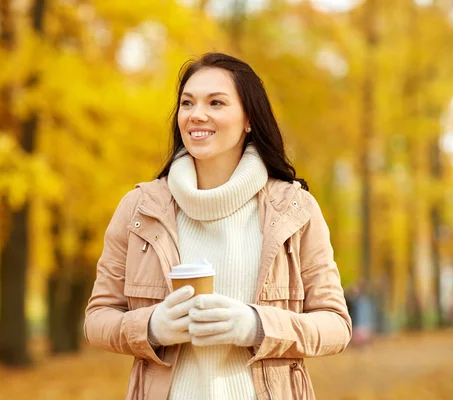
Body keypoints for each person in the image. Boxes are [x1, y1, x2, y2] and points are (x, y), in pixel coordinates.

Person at [84, 52, 352, 400]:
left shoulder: (294, 209)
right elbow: (97, 318)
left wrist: (256, 326)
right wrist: (151, 326)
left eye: (216, 102)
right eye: (187, 103)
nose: (197, 114)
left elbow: (335, 325)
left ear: (249, 120)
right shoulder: (140, 209)